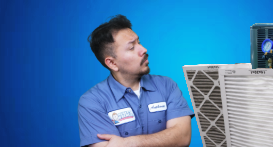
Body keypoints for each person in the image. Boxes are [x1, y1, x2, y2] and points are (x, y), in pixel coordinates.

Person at [77, 14, 195, 147]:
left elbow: (182, 137)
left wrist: (129, 143)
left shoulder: (167, 85)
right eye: (132, 47)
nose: (143, 49)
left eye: (139, 42)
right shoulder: (92, 101)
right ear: (112, 63)